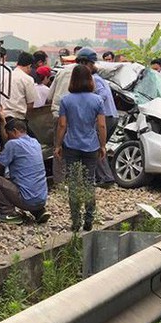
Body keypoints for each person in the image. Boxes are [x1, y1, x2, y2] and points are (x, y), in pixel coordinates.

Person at [55, 65, 106, 233]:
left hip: (71, 145)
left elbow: (62, 125)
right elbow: (101, 125)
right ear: (90, 80)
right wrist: (103, 145)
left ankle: (75, 221)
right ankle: (89, 220)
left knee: (74, 183)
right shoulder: (97, 100)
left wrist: (58, 145)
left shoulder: (66, 100)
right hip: (91, 146)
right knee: (88, 181)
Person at [0, 118, 49, 225]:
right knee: (22, 179)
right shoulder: (35, 143)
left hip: (26, 200)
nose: (7, 137)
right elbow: (8, 141)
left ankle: (8, 213)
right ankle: (38, 211)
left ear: (15, 131)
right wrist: (2, 121)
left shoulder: (13, 145)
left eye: (8, 134)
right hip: (42, 199)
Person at [75, 47, 117, 187]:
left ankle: (106, 177)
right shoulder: (97, 78)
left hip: (106, 117)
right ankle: (103, 177)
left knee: (96, 147)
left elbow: (102, 96)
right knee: (98, 146)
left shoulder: (94, 79)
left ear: (90, 64)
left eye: (83, 63)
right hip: (110, 116)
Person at [1, 51, 35, 121]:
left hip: (2, 116)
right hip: (18, 118)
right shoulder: (28, 79)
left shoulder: (6, 76)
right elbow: (30, 103)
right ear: (29, 66)